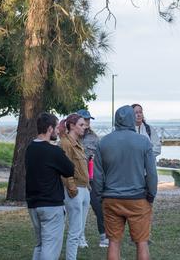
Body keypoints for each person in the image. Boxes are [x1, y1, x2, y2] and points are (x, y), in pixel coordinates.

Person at [95, 105, 158, 260]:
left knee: (113, 242)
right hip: (137, 198)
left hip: (111, 198)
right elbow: (151, 173)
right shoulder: (143, 142)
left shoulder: (103, 142)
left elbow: (97, 175)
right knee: (142, 242)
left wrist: (100, 196)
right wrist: (151, 195)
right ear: (132, 119)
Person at [25, 112, 75, 260]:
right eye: (56, 127)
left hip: (33, 203)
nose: (58, 131)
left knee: (40, 245)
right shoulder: (53, 151)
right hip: (51, 205)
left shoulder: (30, 148)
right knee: (50, 247)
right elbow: (69, 170)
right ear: (49, 129)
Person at [60, 113, 91, 259]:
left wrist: (87, 187)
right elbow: (64, 169)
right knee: (74, 231)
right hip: (75, 190)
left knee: (79, 230)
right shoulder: (66, 143)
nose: (85, 127)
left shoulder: (77, 143)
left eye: (84, 124)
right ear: (72, 126)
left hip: (84, 188)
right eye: (81, 125)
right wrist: (72, 189)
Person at [77, 109, 108, 248]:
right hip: (78, 178)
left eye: (89, 120)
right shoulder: (71, 137)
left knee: (99, 207)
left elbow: (101, 158)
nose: (87, 122)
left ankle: (103, 236)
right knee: (79, 210)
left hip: (93, 178)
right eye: (85, 120)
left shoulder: (95, 138)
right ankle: (80, 237)